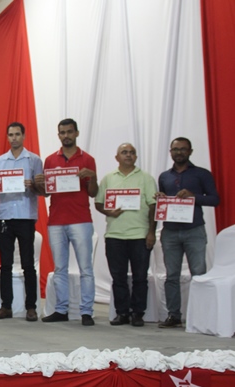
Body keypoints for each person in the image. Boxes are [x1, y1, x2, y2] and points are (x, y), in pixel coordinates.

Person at [35, 118, 98, 326]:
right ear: (58, 135)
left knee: (85, 268)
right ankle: (61, 309)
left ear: (76, 133)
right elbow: (46, 193)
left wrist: (92, 177)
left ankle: (86, 311)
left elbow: (93, 193)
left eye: (69, 132)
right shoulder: (50, 160)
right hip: (56, 220)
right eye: (62, 132)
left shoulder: (87, 159)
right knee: (60, 268)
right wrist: (39, 184)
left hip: (81, 219)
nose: (66, 136)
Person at [156, 137, 219, 329]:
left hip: (194, 230)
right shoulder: (164, 176)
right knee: (171, 275)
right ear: (170, 152)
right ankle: (173, 315)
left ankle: (201, 316)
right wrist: (161, 198)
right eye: (175, 149)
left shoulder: (202, 174)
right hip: (170, 231)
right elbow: (164, 201)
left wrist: (194, 196)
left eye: (183, 149)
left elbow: (215, 200)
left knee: (198, 274)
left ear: (190, 152)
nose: (179, 152)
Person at [95, 143, 157, 327]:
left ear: (136, 157)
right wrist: (109, 212)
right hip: (115, 236)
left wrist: (151, 232)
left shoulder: (146, 178)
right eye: (124, 152)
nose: (128, 155)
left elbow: (153, 206)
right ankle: (122, 313)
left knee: (140, 277)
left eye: (132, 153)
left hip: (140, 235)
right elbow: (98, 203)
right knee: (118, 278)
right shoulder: (108, 178)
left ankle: (138, 313)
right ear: (117, 157)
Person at [0, 123, 44, 321]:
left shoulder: (34, 160)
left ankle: (31, 307)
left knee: (28, 263)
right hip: (5, 215)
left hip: (25, 216)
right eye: (11, 135)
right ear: (7, 137)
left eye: (17, 134)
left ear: (23, 136)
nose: (14, 138)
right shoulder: (0, 161)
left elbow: (43, 189)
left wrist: (33, 185)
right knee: (5, 263)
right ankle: (6, 306)